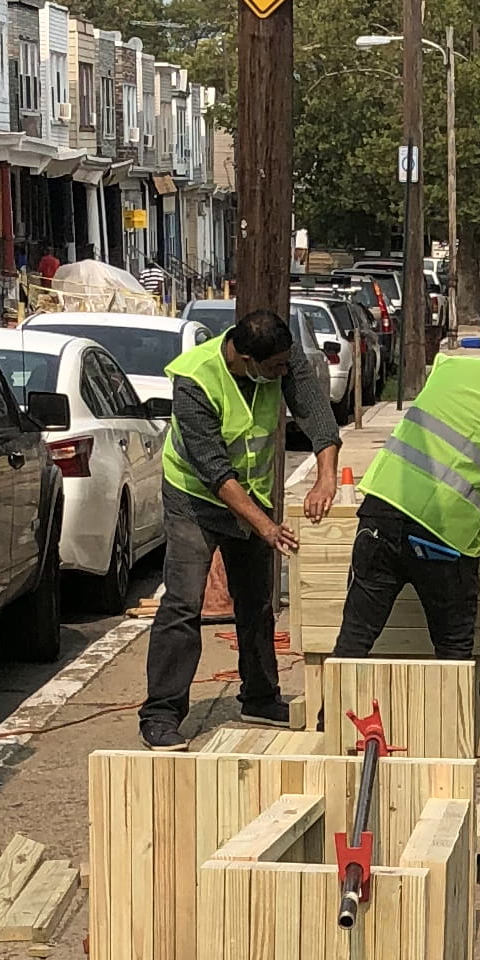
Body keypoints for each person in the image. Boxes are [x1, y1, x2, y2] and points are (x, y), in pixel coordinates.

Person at [138, 303, 340, 748]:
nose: (284, 372)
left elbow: (318, 418)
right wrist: (266, 527)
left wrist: (326, 478)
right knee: (183, 603)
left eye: (287, 364)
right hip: (195, 498)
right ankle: (161, 712)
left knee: (256, 601)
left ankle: (261, 696)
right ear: (246, 359)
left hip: (253, 494)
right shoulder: (196, 380)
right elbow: (214, 471)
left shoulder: (282, 360)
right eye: (276, 367)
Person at [330, 324, 480, 664]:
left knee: (354, 640)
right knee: (452, 654)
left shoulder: (451, 366)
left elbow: (461, 436)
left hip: (381, 513)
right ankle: (448, 720)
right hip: (442, 539)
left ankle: (332, 718)